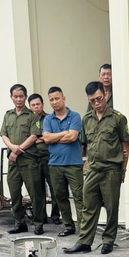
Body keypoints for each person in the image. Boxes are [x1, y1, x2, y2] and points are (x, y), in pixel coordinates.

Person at [63, 82, 129, 255]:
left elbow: (125, 146)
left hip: (111, 170)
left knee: (111, 206)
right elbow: (84, 145)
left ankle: (108, 240)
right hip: (93, 170)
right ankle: (85, 241)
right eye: (92, 101)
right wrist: (85, 165)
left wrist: (123, 170)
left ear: (105, 95)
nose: (96, 103)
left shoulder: (118, 118)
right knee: (88, 206)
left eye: (99, 98)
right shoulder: (86, 119)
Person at [42, 87, 84, 238]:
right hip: (55, 164)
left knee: (79, 196)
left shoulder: (75, 116)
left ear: (64, 98)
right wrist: (63, 133)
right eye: (51, 100)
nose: (54, 102)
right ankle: (68, 226)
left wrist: (54, 137)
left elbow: (72, 137)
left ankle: (83, 228)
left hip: (73, 164)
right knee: (60, 197)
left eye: (57, 98)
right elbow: (46, 139)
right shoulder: (48, 119)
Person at [0, 83, 37, 235]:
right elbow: (4, 135)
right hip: (14, 162)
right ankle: (19, 223)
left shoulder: (32, 115)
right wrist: (12, 147)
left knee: (35, 193)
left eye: (21, 96)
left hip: (28, 160)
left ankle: (38, 223)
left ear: (26, 97)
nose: (19, 99)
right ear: (11, 98)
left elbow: (34, 136)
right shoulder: (8, 115)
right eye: (15, 96)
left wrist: (18, 149)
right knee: (14, 193)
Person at [28, 93, 60, 225]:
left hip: (49, 157)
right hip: (34, 158)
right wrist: (41, 138)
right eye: (33, 105)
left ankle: (55, 215)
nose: (36, 107)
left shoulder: (50, 118)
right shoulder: (28, 120)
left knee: (54, 187)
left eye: (38, 104)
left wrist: (40, 138)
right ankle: (41, 216)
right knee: (38, 189)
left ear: (42, 104)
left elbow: (53, 136)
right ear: (29, 106)